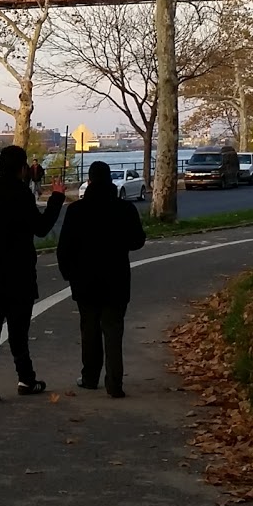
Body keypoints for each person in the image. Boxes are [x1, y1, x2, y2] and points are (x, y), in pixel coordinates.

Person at [0, 145, 66, 403]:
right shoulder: (21, 195)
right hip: (18, 274)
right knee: (18, 331)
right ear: (22, 169)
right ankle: (26, 378)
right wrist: (56, 198)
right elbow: (41, 228)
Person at [56, 161, 146, 398]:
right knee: (114, 331)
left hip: (84, 280)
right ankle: (115, 383)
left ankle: (89, 377)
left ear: (90, 179)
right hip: (116, 278)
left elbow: (64, 248)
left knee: (90, 330)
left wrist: (69, 273)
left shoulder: (76, 211)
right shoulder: (125, 209)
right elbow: (137, 241)